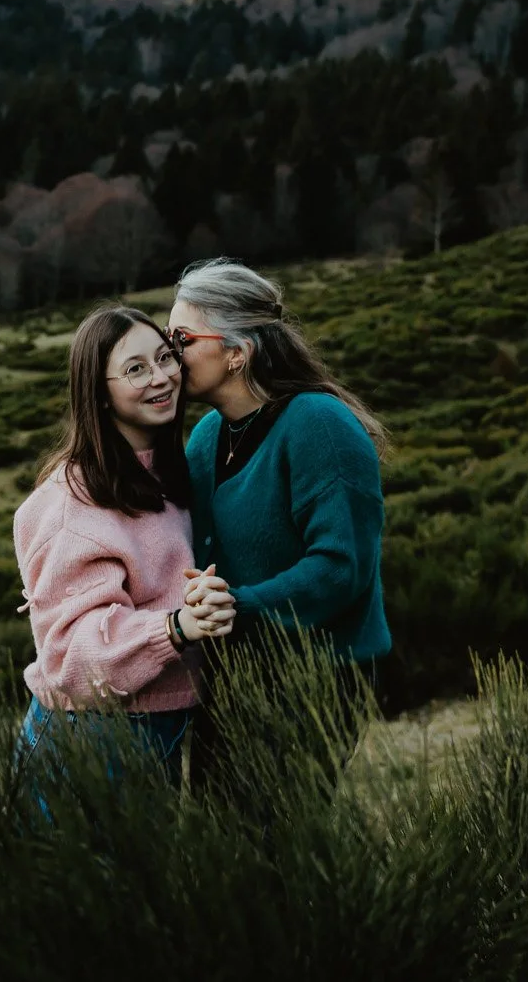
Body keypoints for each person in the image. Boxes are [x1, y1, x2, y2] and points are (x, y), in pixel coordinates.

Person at [165, 258, 389, 789]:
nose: (168, 354)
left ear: (237, 353)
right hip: (232, 672)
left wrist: (240, 606)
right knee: (221, 839)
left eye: (182, 338)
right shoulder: (206, 437)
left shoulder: (319, 425)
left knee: (272, 842)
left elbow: (341, 567)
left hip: (315, 675)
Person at [13, 305, 235, 788]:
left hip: (156, 726)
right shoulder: (74, 505)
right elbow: (69, 654)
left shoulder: (166, 472)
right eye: (135, 369)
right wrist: (177, 626)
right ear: (100, 393)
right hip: (89, 736)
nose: (161, 378)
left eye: (164, 358)